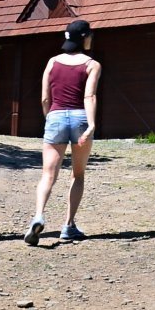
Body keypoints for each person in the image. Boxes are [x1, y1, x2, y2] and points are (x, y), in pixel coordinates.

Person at [25, 19, 101, 246]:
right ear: (84, 37)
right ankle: (68, 226)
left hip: (56, 117)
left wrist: (50, 116)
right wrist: (91, 124)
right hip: (79, 118)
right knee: (77, 174)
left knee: (48, 174)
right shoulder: (92, 64)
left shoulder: (52, 62)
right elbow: (89, 96)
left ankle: (38, 215)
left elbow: (44, 98)